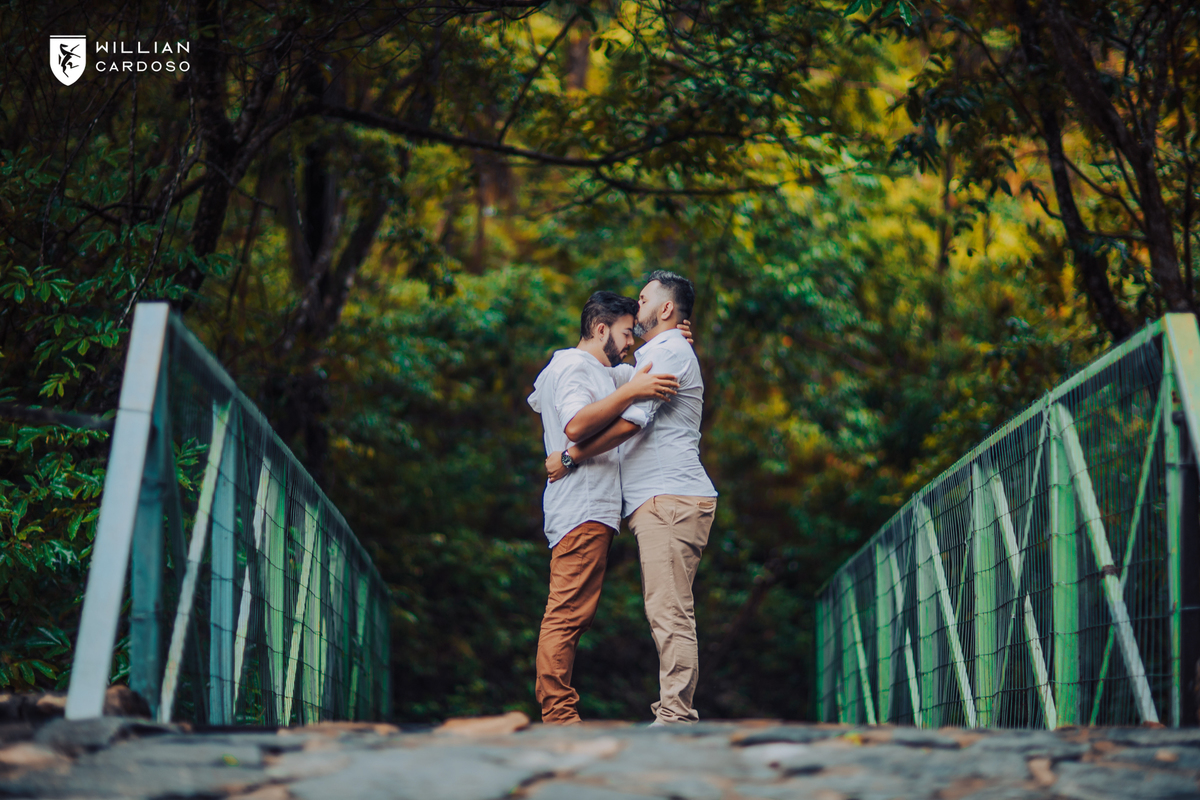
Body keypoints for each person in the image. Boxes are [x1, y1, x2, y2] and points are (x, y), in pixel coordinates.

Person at [546, 270, 717, 725]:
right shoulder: (657, 351)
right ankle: (671, 713)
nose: (635, 308)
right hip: (661, 499)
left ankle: (675, 717)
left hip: (670, 497)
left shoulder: (667, 351)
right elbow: (622, 387)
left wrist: (570, 457)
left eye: (643, 300)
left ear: (664, 308)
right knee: (664, 609)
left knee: (669, 611)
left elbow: (630, 421)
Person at [527, 291, 681, 725]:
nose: (631, 342)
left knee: (574, 611)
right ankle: (559, 718)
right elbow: (576, 423)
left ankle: (558, 714)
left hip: (586, 508)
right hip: (582, 506)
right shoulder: (575, 367)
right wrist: (631, 389)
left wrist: (672, 335)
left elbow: (638, 374)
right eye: (627, 332)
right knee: (568, 613)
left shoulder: (594, 369)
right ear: (601, 330)